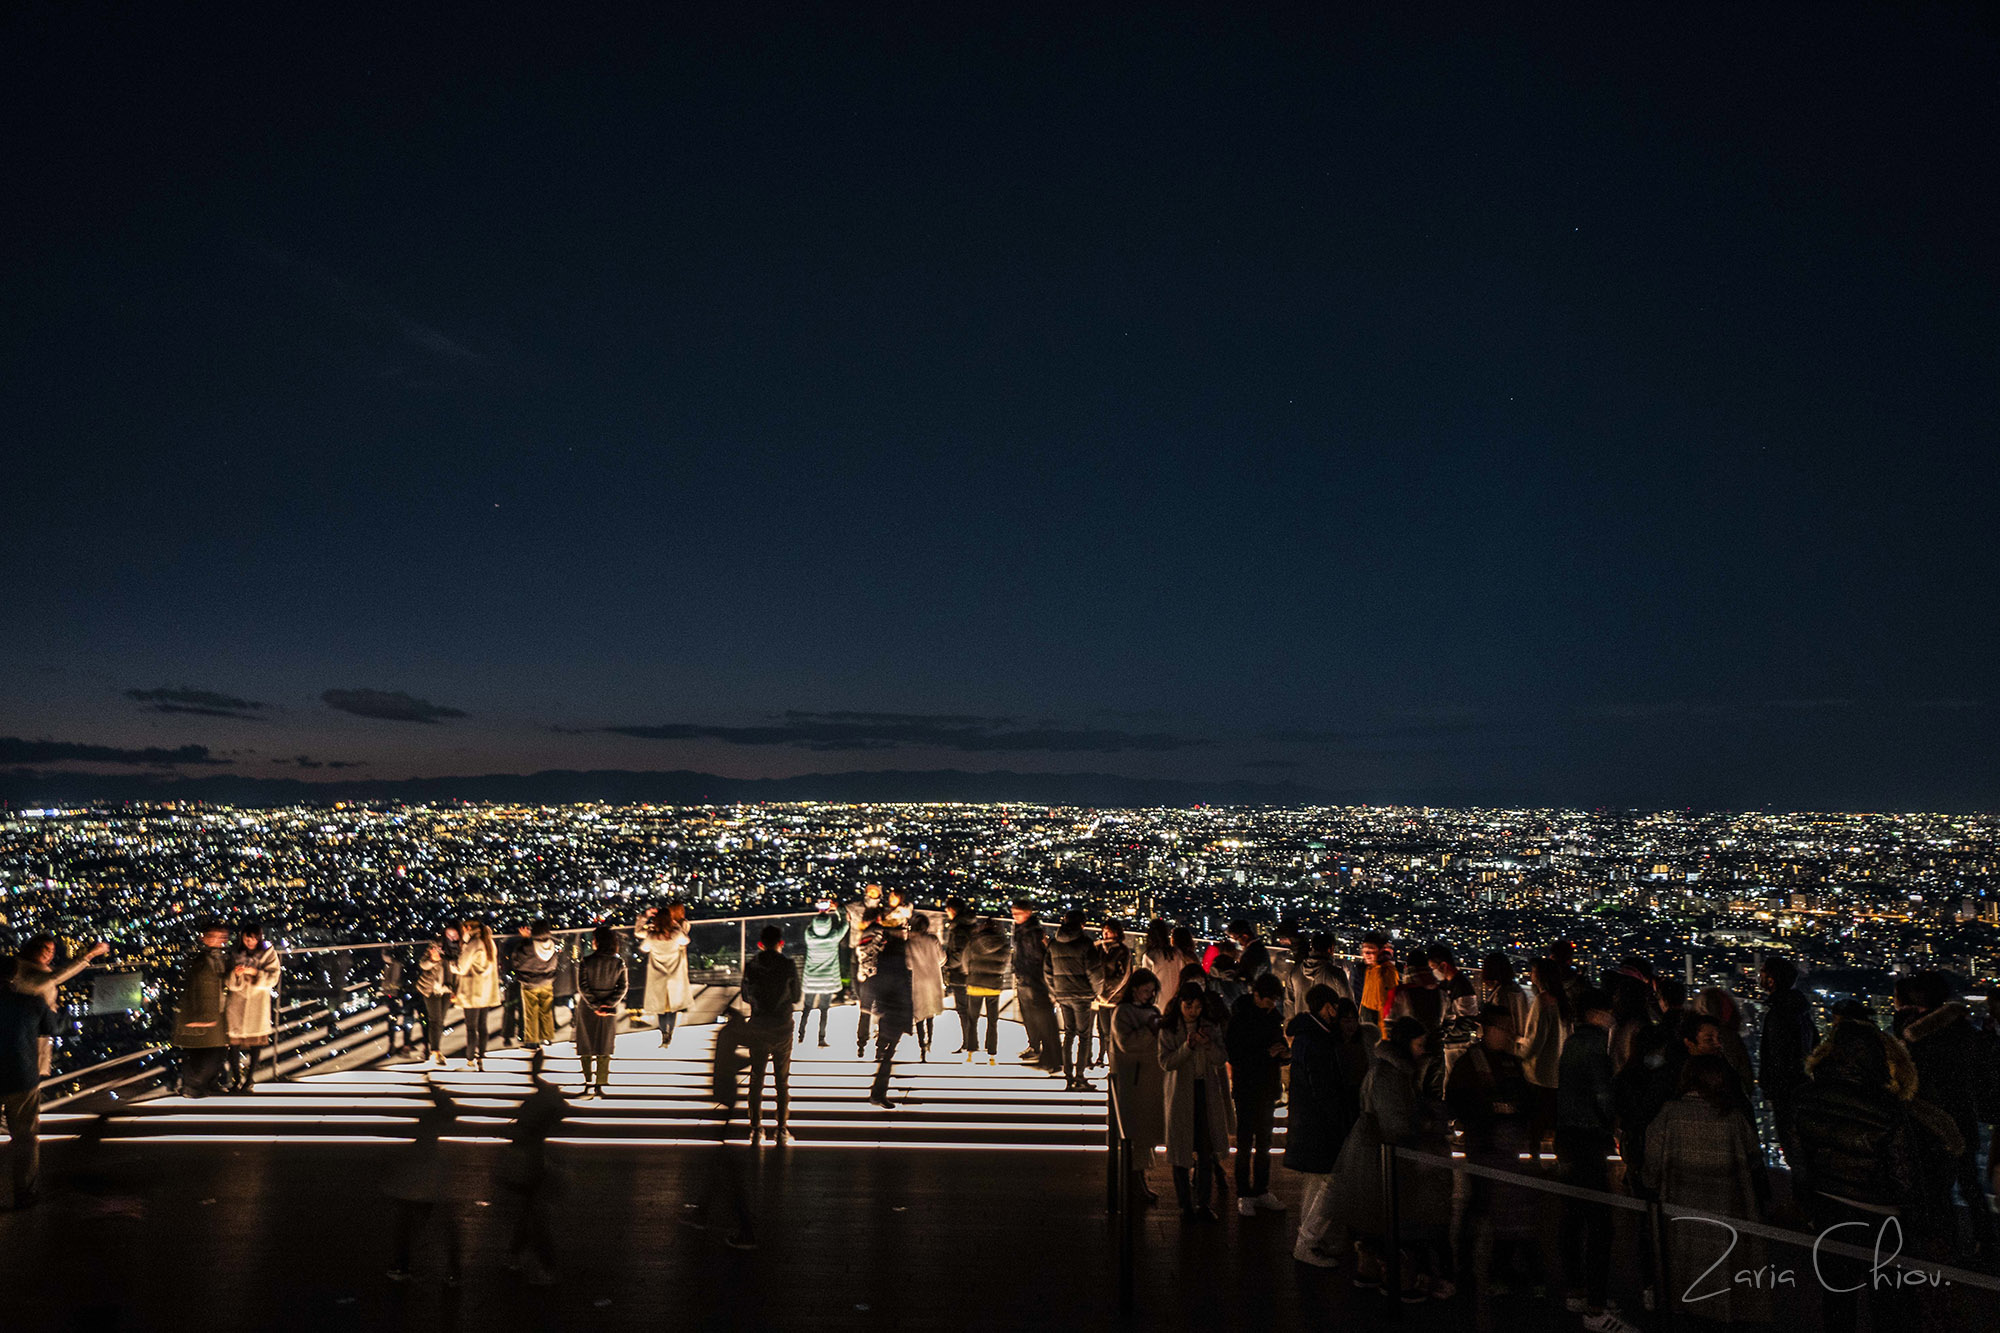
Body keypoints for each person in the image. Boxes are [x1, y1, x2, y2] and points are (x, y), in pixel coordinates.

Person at [1793, 1015, 1952, 1333]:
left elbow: (1801, 1163)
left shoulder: (1807, 1097)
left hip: (1829, 1212)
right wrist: (1920, 1222)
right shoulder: (1889, 1109)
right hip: (1882, 1221)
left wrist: (1809, 1207)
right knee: (1888, 1306)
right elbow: (1904, 1175)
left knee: (1837, 1302)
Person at [1309, 1017, 1454, 1302]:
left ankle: (1371, 1272)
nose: (1422, 1050)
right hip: (1382, 1154)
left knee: (1375, 1217)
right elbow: (1396, 1122)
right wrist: (1424, 1127)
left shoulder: (1389, 1070)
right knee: (1389, 1216)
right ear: (1405, 1044)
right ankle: (1396, 1279)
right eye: (1418, 1044)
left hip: (1374, 1151)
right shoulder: (1391, 1074)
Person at [1643, 1055, 1771, 1325]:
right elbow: (1754, 1158)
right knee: (1725, 1268)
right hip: (1727, 1209)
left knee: (1685, 1270)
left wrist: (1650, 1185)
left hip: (1681, 1212)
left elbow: (1651, 1165)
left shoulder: (1670, 1114)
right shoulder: (1733, 1117)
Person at [1894, 970, 1998, 1258]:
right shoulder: (1966, 1032)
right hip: (1962, 1114)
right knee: (1968, 1182)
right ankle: (1985, 1239)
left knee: (1935, 1186)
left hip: (1927, 1117)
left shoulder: (1913, 1035)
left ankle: (1944, 1241)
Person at [1447, 1004, 1538, 1295]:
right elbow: (1456, 1103)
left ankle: (1497, 1270)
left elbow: (1526, 1100)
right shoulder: (1471, 1064)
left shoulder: (1508, 1062)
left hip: (1503, 1145)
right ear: (1487, 1030)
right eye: (1504, 1028)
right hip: (1484, 1143)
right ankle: (1468, 1269)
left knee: (1503, 1210)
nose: (1510, 1034)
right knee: (1481, 1206)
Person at [1555, 989, 1621, 1330]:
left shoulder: (1571, 1043)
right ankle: (1595, 1302)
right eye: (1608, 1012)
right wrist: (1613, 1126)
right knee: (1599, 1223)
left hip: (1567, 1136)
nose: (1612, 1018)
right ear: (1597, 1014)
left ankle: (1576, 1290)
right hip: (1588, 1138)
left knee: (1573, 1216)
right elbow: (1603, 1096)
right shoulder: (1596, 1048)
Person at [1287, 984, 1362, 1266]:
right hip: (1318, 1125)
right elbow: (1323, 1089)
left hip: (1307, 1123)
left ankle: (1308, 1241)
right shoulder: (1317, 1040)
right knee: (1329, 1184)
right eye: (1334, 1007)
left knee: (1315, 1182)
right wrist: (1337, 1123)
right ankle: (1307, 1240)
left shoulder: (1308, 1036)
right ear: (1327, 1007)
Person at [1160, 980, 1233, 1221]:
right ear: (1180, 1004)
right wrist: (1188, 1047)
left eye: (1197, 1007)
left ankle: (1203, 1203)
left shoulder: (1209, 1027)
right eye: (1189, 1006)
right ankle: (1185, 1205)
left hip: (1205, 1090)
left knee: (1205, 1149)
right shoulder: (1168, 1028)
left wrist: (1208, 1044)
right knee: (1181, 1150)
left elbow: (1221, 1057)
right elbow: (1166, 1062)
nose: (1193, 1011)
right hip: (1181, 1092)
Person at [685, 1008, 756, 1249]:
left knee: (725, 1165)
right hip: (729, 1096)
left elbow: (727, 1060)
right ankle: (705, 1210)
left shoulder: (728, 1033)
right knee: (723, 1163)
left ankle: (716, 1216)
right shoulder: (734, 1033)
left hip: (726, 1096)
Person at [384, 1080, 461, 1284]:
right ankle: (453, 1270)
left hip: (418, 1184)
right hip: (429, 1184)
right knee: (438, 1227)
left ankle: (402, 1265)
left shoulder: (429, 1126)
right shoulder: (440, 1130)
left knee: (409, 1225)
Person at [502, 1049, 569, 1284]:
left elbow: (522, 1134)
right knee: (530, 1213)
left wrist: (508, 1131)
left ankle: (538, 1263)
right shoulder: (548, 1105)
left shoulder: (540, 1110)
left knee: (531, 1216)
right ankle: (520, 1255)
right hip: (534, 1165)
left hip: (526, 1166)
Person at [1226, 972, 1289, 1216]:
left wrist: (1284, 1055)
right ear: (1256, 995)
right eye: (1268, 1000)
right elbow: (1235, 1054)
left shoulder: (1273, 1016)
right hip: (1246, 1086)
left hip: (1267, 1086)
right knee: (1245, 1143)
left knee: (1264, 1142)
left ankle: (1261, 1190)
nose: (1272, 1004)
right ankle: (1244, 1193)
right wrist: (1267, 1054)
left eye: (1274, 1000)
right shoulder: (1240, 1017)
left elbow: (1279, 1043)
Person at [0, 956, 58, 1209]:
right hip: (21, 1075)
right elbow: (51, 1027)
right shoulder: (31, 1002)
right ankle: (25, 1193)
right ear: (14, 976)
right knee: (24, 1137)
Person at [1756, 955, 1818, 1182]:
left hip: (1786, 1092)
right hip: (1801, 1088)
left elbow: (1776, 1056)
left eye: (1762, 973)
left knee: (1794, 1149)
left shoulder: (1778, 1014)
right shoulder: (1800, 1011)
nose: (1759, 977)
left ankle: (1803, 1202)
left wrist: (1772, 1088)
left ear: (1771, 980)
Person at [1108, 968, 1166, 1203]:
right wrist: (1151, 1031)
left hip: (1148, 1081)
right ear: (1134, 989)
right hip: (1133, 1081)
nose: (1149, 995)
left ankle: (1138, 1181)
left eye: (1152, 991)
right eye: (1145, 991)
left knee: (1143, 1136)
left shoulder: (1152, 1011)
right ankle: (1135, 1183)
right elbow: (1126, 1043)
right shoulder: (1123, 1012)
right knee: (1135, 1134)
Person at [743, 926, 801, 1142]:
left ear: (761, 943)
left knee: (756, 1077)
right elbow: (795, 996)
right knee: (782, 1080)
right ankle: (782, 1128)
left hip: (758, 1025)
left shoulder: (751, 966)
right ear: (781, 943)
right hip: (782, 1027)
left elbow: (745, 995)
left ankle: (756, 1127)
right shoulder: (788, 965)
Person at [172, 920, 232, 1097]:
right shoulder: (200, 959)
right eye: (214, 937)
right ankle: (193, 1086)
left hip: (216, 1010)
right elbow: (195, 989)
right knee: (203, 1052)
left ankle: (208, 1083)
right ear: (204, 938)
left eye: (222, 937)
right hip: (204, 1012)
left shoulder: (220, 958)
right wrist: (202, 1014)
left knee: (217, 1050)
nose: (219, 940)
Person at [1518, 956, 1571, 1147]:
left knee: (1535, 1124)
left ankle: (1533, 1164)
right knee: (1550, 1124)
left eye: (1533, 971)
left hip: (1537, 1073)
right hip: (1555, 1073)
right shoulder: (1561, 1001)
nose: (1530, 975)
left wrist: (1518, 1051)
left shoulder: (1542, 1001)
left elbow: (1534, 1040)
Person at [224, 924, 281, 1092]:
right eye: (247, 938)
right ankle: (236, 1079)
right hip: (236, 1003)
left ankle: (249, 1079)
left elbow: (274, 976)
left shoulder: (268, 954)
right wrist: (236, 974)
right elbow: (227, 980)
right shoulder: (234, 954)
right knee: (233, 1044)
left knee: (256, 1043)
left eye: (254, 938)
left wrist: (256, 973)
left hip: (258, 1003)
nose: (250, 942)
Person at [866, 910, 914, 1108]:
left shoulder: (886, 952)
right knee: (890, 1052)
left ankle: (878, 1091)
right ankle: (878, 1093)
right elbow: (900, 982)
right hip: (896, 1007)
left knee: (889, 1050)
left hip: (888, 1007)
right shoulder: (900, 952)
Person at [1047, 908, 1097, 1089]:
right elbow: (1094, 971)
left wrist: (1056, 990)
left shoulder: (1053, 943)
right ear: (1081, 924)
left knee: (1069, 1034)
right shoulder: (1085, 943)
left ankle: (1068, 1075)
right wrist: (1096, 992)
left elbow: (1047, 971)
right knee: (1084, 1036)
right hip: (1082, 995)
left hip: (1062, 994)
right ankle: (1080, 1076)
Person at [1009, 901, 1061, 1075]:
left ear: (1028, 913)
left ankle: (1052, 1059)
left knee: (1043, 1020)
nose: (1015, 916)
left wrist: (1030, 975)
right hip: (1026, 979)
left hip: (1034, 980)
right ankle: (1046, 1056)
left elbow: (1038, 958)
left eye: (1018, 913)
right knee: (1033, 1018)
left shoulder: (1032, 932)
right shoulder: (1021, 930)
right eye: (1013, 912)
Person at [574, 926, 626, 1098]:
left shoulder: (586, 961)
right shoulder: (618, 963)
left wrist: (595, 1005)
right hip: (609, 1008)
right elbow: (623, 987)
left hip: (588, 1007)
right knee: (605, 1043)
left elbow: (582, 987)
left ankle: (588, 1080)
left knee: (586, 1042)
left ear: (597, 941)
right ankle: (601, 1081)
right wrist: (607, 1004)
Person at [638, 903, 693, 1047]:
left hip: (658, 976)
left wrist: (644, 917)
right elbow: (686, 940)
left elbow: (642, 945)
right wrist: (675, 925)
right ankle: (671, 1033)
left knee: (660, 1009)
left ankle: (664, 1034)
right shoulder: (675, 934)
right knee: (673, 1007)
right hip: (674, 974)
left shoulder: (652, 936)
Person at [10, 933, 108, 1010]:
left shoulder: (39, 968)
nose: (49, 954)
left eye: (52, 951)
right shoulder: (19, 967)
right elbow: (56, 977)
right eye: (46, 949)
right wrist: (90, 955)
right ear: (33, 948)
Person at [798, 899, 848, 1049]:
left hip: (811, 980)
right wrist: (837, 909)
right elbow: (845, 923)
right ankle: (821, 1038)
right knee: (824, 1010)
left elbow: (809, 926)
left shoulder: (809, 936)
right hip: (827, 981)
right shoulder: (834, 937)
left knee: (806, 1008)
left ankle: (801, 1035)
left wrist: (820, 913)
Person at [452, 919, 499, 1070]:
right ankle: (482, 1056)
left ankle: (470, 1059)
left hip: (472, 991)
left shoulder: (473, 944)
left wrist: (449, 963)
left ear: (468, 928)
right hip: (486, 990)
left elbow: (461, 968)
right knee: (483, 1025)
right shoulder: (489, 942)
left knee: (471, 1027)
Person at [962, 916, 1009, 1064]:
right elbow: (1005, 965)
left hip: (975, 984)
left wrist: (971, 974)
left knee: (972, 1020)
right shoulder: (1004, 944)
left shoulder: (973, 941)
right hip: (993, 986)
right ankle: (992, 1053)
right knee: (993, 1021)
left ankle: (970, 1050)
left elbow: (965, 961)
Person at [1089, 921, 1132, 1072]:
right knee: (1101, 1029)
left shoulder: (1122, 951)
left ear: (1117, 933)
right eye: (1104, 931)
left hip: (1115, 998)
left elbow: (1122, 976)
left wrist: (1105, 993)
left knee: (1112, 1031)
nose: (1105, 934)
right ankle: (1102, 1056)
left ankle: (1113, 1060)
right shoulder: (1100, 948)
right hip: (1100, 997)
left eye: (1109, 931)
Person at [905, 912, 946, 1062]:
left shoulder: (909, 943)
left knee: (919, 1015)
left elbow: (908, 964)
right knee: (930, 1013)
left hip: (919, 981)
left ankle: (921, 1046)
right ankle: (930, 1042)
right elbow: (942, 958)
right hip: (933, 979)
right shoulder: (933, 939)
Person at [512, 921, 560, 1049]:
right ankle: (547, 1037)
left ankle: (532, 1041)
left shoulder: (528, 947)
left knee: (531, 1012)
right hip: (547, 982)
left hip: (530, 983)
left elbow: (517, 960)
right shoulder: (551, 945)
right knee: (546, 1011)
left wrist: (525, 939)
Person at [941, 899, 975, 1054]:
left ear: (952, 910)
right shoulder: (968, 926)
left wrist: (947, 964)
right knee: (967, 1009)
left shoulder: (959, 929)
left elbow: (958, 954)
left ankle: (969, 1043)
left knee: (963, 1009)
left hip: (961, 974)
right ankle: (970, 1042)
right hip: (968, 972)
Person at [414, 940, 452, 1066]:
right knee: (435, 1019)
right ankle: (435, 1050)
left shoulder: (452, 951)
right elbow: (423, 965)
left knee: (440, 1020)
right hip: (430, 989)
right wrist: (433, 959)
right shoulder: (432, 949)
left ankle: (435, 1049)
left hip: (446, 990)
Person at [1349, 931, 1400, 1027]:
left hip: (1379, 1027)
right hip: (1367, 1024)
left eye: (1371, 951)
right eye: (1364, 951)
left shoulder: (1387, 971)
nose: (1367, 954)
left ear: (1380, 951)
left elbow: (1388, 1004)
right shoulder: (1369, 969)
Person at [1478, 952, 1532, 1036]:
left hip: (1504, 1042)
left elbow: (1498, 1024)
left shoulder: (1501, 994)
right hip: (1517, 1040)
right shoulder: (1517, 990)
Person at [499, 921, 533, 1048]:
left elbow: (504, 960)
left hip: (511, 977)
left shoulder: (508, 942)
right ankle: (522, 1034)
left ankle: (508, 1035)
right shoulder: (527, 943)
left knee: (510, 1007)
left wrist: (506, 975)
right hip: (523, 977)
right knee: (523, 1007)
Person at [1227, 919, 1272, 983]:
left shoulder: (1252, 953)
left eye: (1236, 939)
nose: (1237, 943)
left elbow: (1246, 980)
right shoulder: (1258, 949)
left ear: (1245, 937)